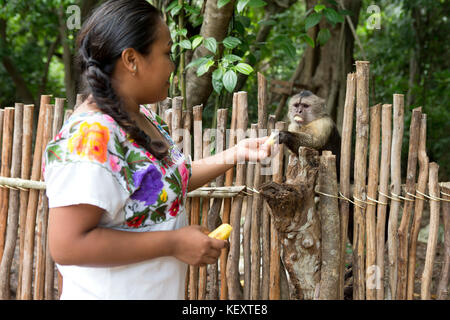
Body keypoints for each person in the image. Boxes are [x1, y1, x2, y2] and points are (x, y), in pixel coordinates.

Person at [43, 0, 275, 300]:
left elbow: (165, 183)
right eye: (166, 53)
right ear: (131, 59)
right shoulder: (90, 137)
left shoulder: (140, 117)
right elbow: (67, 245)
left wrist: (236, 153)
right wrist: (173, 243)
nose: (172, 64)